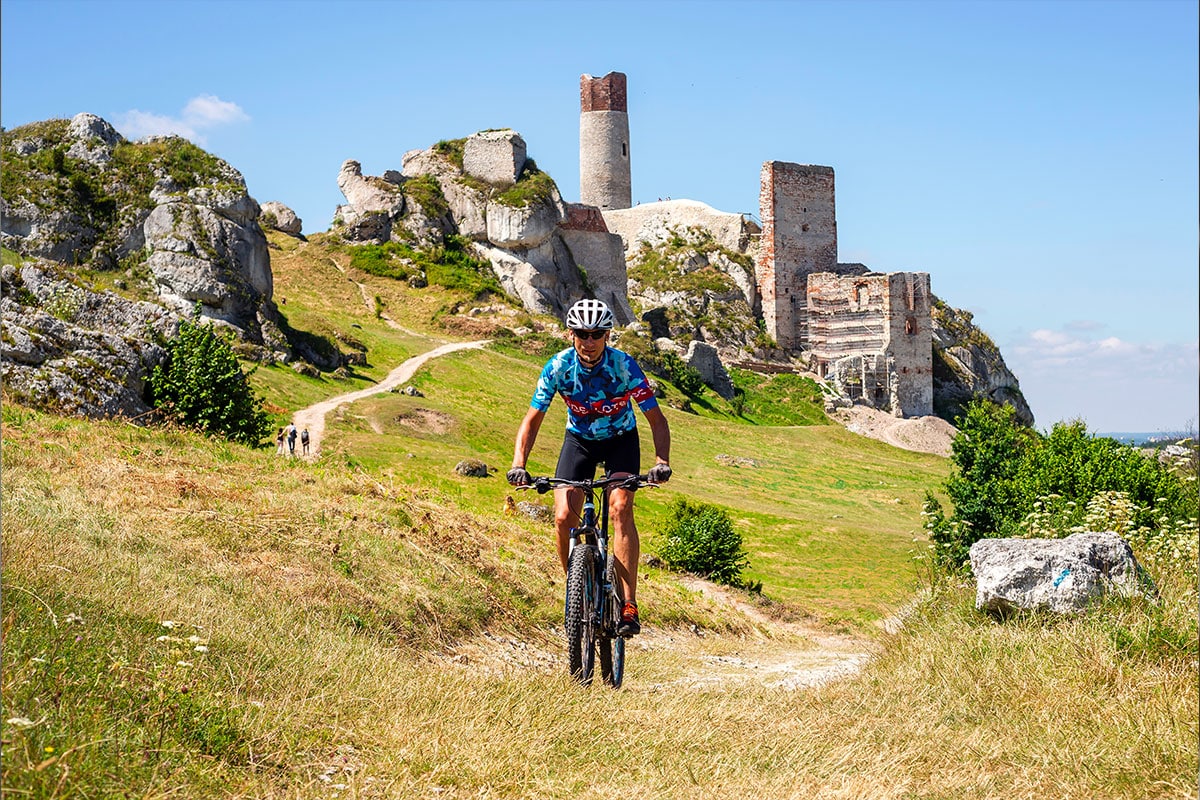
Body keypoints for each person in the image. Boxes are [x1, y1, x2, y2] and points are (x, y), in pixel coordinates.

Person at [507, 298, 671, 636]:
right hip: (579, 440)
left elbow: (656, 419)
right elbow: (532, 420)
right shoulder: (557, 367)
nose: (589, 341)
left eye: (596, 333)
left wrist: (661, 462)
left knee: (620, 507)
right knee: (563, 516)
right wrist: (518, 464)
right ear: (571, 334)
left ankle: (628, 604)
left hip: (620, 440)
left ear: (607, 335)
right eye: (582, 333)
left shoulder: (624, 367)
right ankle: (577, 591)